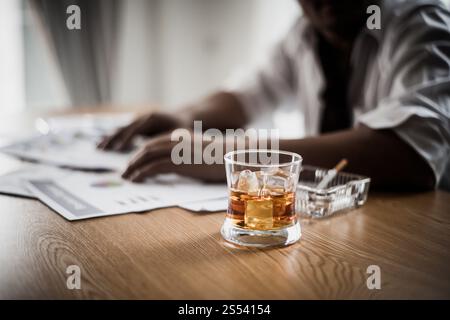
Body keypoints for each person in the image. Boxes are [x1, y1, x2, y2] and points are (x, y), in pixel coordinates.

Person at [98, 0, 450, 190]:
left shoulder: (422, 23)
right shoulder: (304, 34)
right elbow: (247, 94)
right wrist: (184, 117)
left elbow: (410, 153)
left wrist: (225, 154)